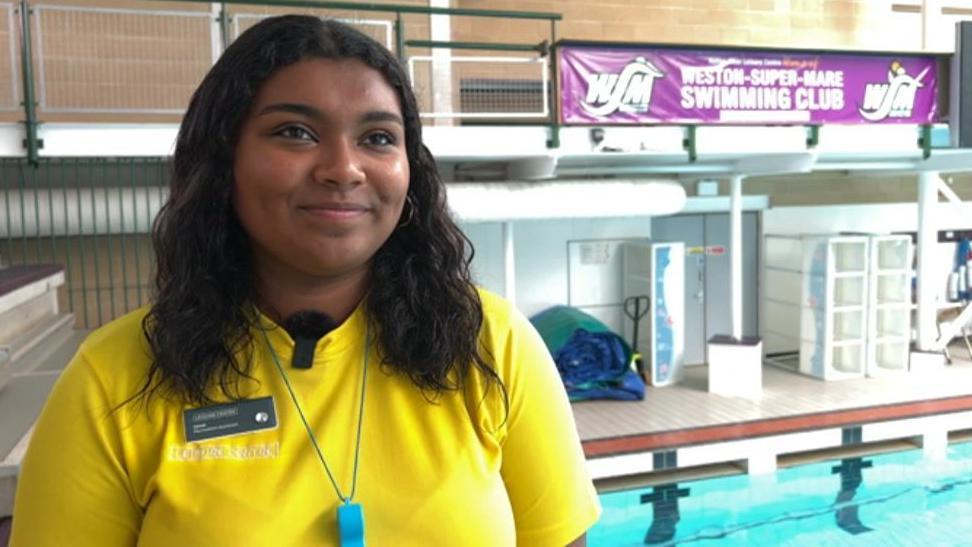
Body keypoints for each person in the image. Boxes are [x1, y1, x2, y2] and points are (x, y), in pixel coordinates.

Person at [10, 15, 601, 547]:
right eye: (295, 131)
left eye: (377, 138)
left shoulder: (491, 345)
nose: (343, 168)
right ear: (223, 160)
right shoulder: (113, 379)